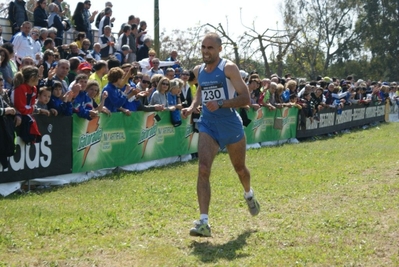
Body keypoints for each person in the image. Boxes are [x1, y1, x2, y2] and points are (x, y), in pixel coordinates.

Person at [181, 32, 260, 237]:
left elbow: (245, 99)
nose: (206, 51)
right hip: (208, 125)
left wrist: (221, 103)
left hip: (231, 125)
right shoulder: (199, 70)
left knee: (240, 169)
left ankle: (249, 194)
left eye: (210, 48)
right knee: (203, 169)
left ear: (219, 49)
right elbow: (200, 92)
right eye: (203, 47)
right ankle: (204, 222)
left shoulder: (229, 68)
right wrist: (192, 107)